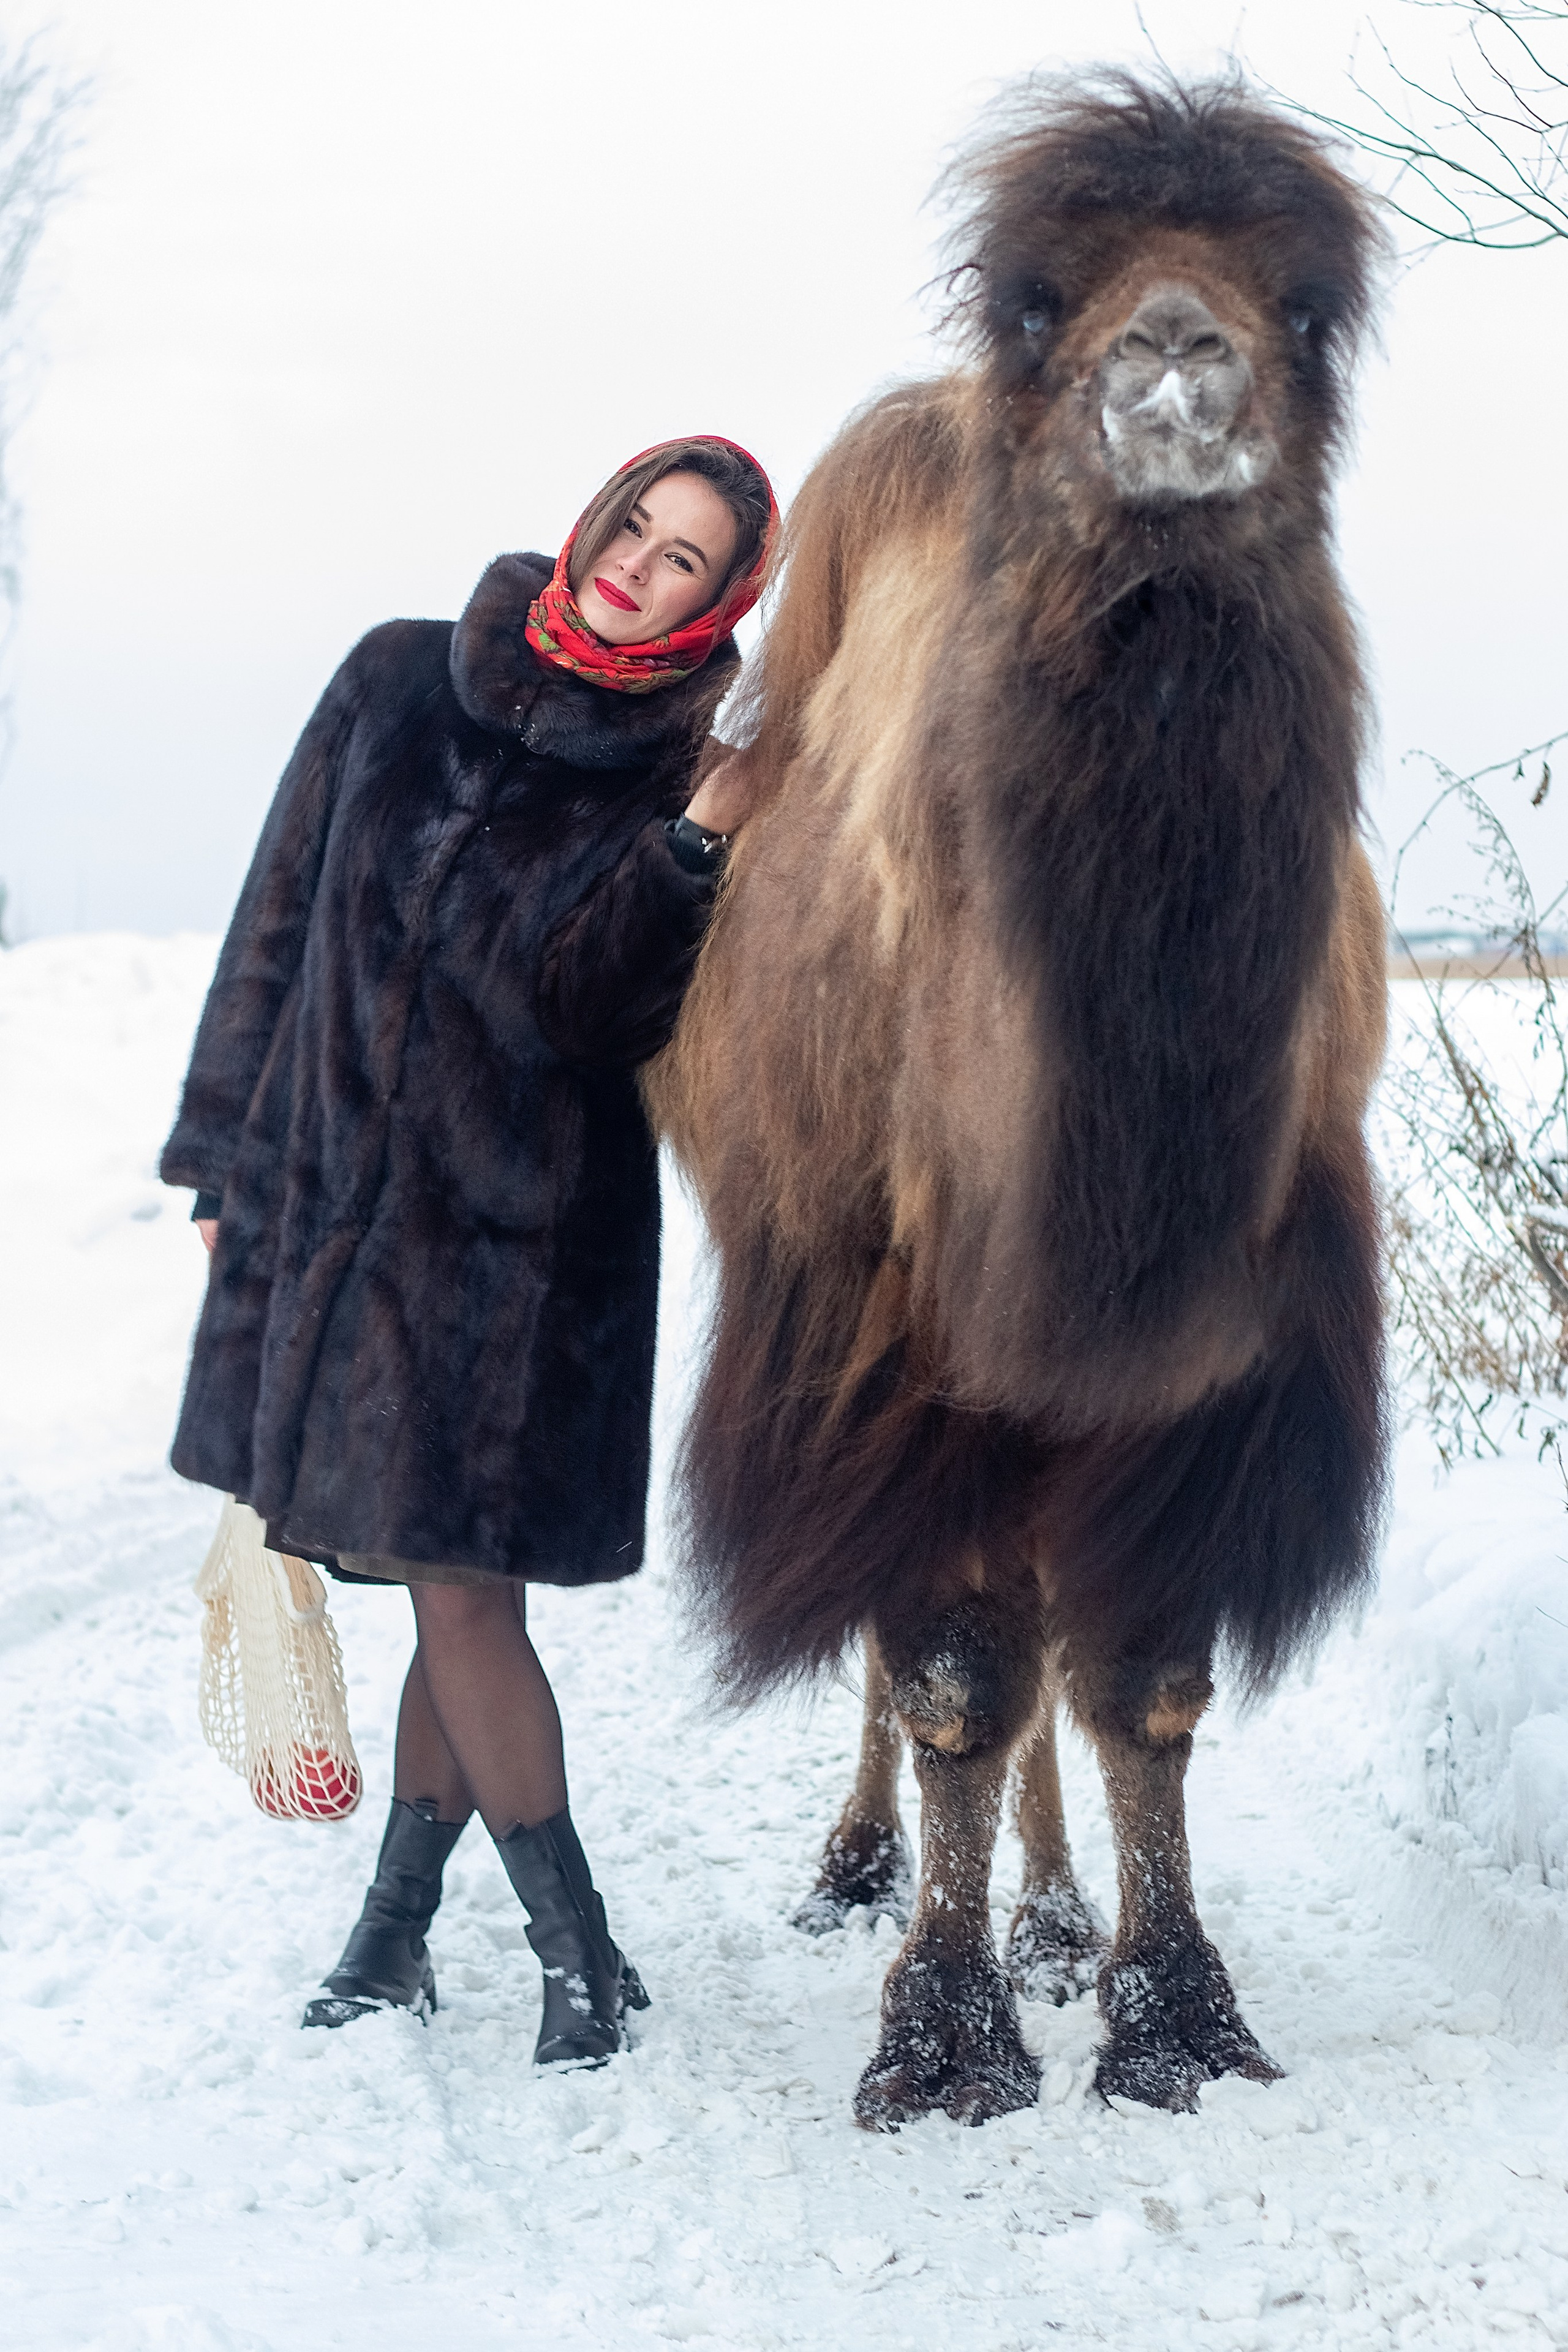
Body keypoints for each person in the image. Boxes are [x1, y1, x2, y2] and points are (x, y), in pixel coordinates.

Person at [160, 437, 775, 2066]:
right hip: (338, 1203)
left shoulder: (678, 768)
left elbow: (591, 1011)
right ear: (592, 521)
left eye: (685, 560)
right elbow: (275, 921)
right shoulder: (397, 681)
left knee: (464, 1600)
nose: (638, 565)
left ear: (725, 600)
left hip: (525, 1250)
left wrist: (698, 838)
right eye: (633, 528)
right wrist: (220, 1146)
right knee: (452, 1591)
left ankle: (572, 1956)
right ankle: (404, 1934)